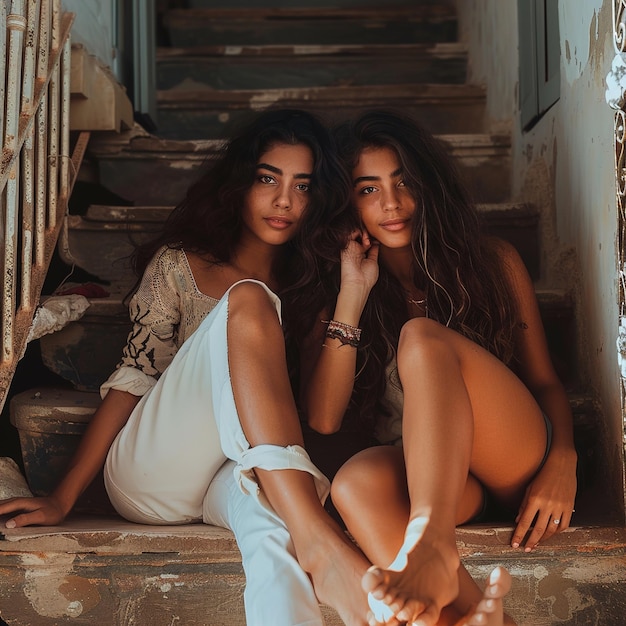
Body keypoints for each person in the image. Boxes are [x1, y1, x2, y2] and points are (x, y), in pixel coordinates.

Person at [0, 109, 376, 626]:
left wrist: (351, 295)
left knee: (269, 526)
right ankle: (318, 536)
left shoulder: (311, 286)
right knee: (250, 300)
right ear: (240, 184)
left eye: (303, 186)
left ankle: (303, 567)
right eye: (268, 178)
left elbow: (324, 418)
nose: (284, 200)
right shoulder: (182, 266)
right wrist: (64, 496)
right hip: (151, 474)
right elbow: (133, 381)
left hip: (241, 471)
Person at [299, 110, 578, 626]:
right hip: (441, 478)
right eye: (368, 189)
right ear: (346, 204)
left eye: (403, 180)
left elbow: (544, 382)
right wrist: (353, 295)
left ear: (426, 184)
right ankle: (473, 616)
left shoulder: (493, 262)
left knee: (422, 339)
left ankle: (431, 544)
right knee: (353, 484)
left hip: (510, 455)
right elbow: (322, 419)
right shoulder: (344, 288)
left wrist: (564, 458)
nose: (391, 202)